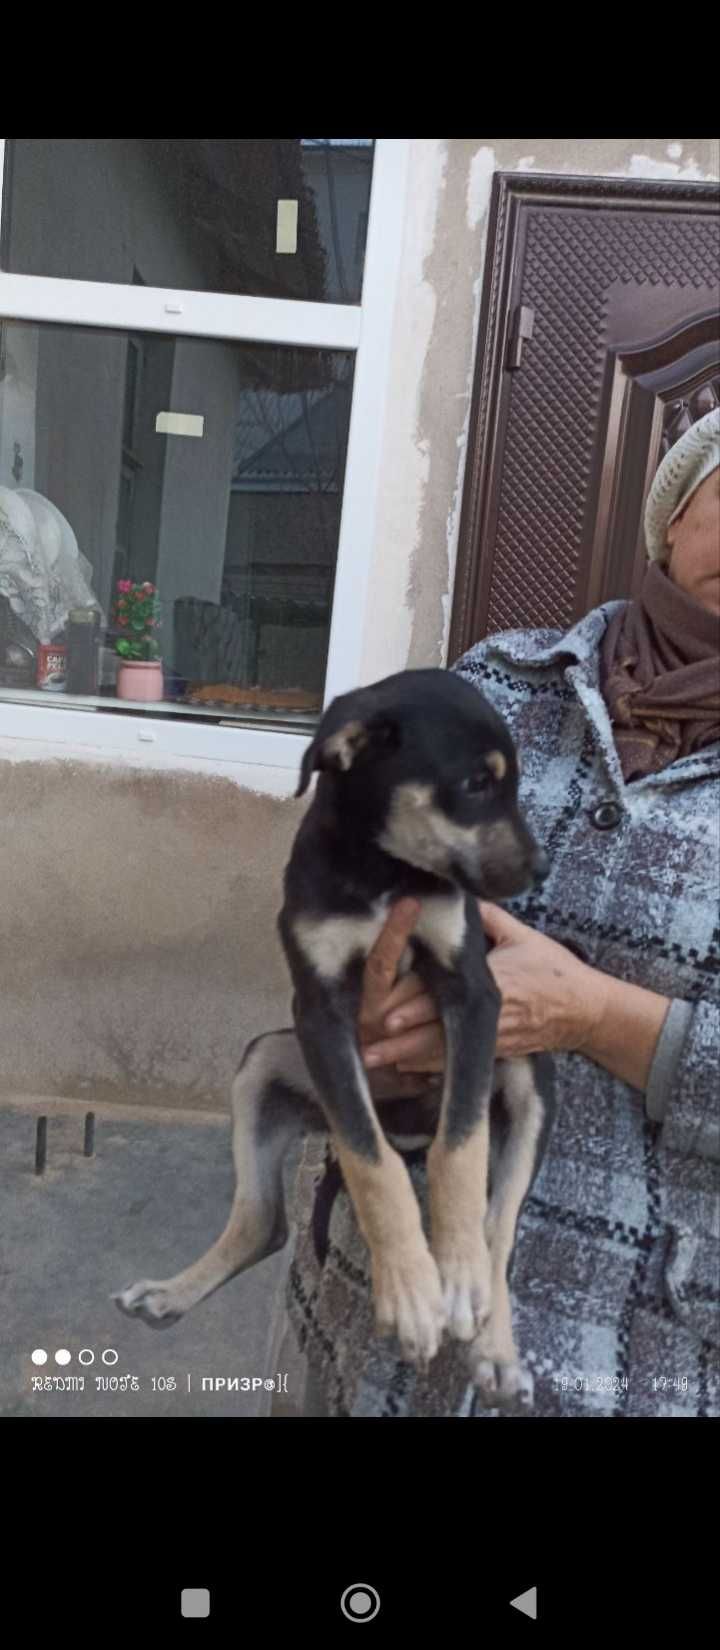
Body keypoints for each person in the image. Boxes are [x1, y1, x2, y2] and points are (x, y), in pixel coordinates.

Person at [286, 408, 720, 1418]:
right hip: (378, 1321)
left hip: (639, 1355)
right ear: (674, 510)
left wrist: (610, 1022)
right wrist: (363, 1011)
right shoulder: (495, 688)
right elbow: (331, 906)